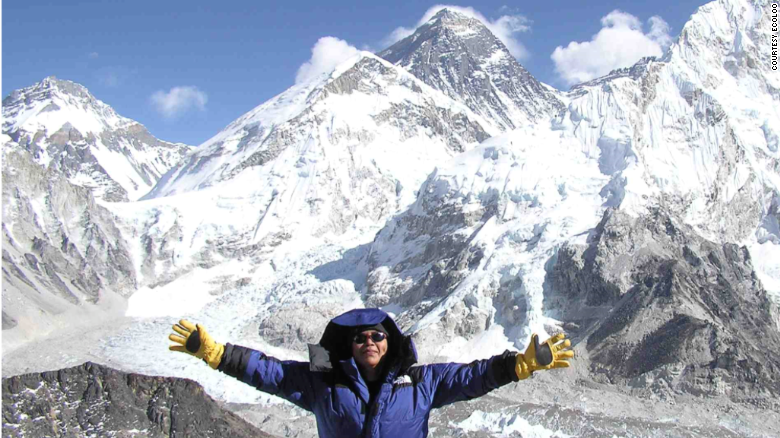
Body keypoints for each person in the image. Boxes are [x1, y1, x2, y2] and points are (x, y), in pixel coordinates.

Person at [168, 308, 574, 438]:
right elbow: (269, 373)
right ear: (349, 344)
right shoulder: (321, 383)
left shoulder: (421, 382)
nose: (370, 342)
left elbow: (470, 377)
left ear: (389, 341)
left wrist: (518, 366)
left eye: (378, 335)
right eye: (361, 337)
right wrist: (216, 353)